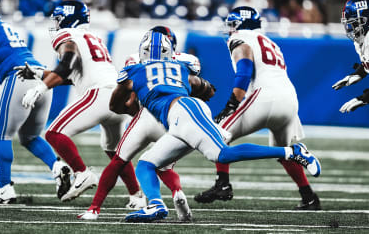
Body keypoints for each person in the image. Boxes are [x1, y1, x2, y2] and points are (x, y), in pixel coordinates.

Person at [109, 30, 321, 222]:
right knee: (147, 163)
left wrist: (135, 105)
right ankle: (155, 205)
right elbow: (207, 89)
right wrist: (201, 88)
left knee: (221, 154)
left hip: (184, 112)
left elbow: (115, 106)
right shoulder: (182, 66)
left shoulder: (132, 73)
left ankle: (292, 151)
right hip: (182, 114)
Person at [77, 26, 211, 221]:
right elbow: (200, 89)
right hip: (172, 118)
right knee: (164, 166)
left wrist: (132, 112)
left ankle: (94, 209)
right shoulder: (187, 62)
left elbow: (122, 102)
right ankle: (176, 192)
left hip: (145, 115)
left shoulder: (134, 63)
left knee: (118, 162)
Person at [194, 6, 321, 211]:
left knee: (216, 135)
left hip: (265, 96)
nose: (229, 29)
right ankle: (309, 196)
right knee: (285, 153)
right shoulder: (270, 42)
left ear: (240, 24)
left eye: (232, 24)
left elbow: (244, 72)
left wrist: (232, 103)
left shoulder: (240, 38)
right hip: (289, 99)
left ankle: (222, 184)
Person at [18, 0, 140, 203]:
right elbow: (72, 74)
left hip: (98, 95)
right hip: (116, 97)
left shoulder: (68, 35)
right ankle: (136, 196)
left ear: (68, 18)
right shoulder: (92, 36)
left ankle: (82, 173)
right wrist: (40, 74)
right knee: (115, 150)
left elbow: (67, 63)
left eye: (58, 19)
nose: (56, 25)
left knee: (54, 133)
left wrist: (40, 88)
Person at [0, 0, 70, 204]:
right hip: (41, 78)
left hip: (18, 78)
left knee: (1, 134)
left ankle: (5, 188)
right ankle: (56, 166)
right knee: (30, 137)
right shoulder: (0, 29)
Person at [332, 0, 369, 113]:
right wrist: (359, 73)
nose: (351, 28)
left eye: (355, 23)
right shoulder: (365, 37)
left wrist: (368, 96)